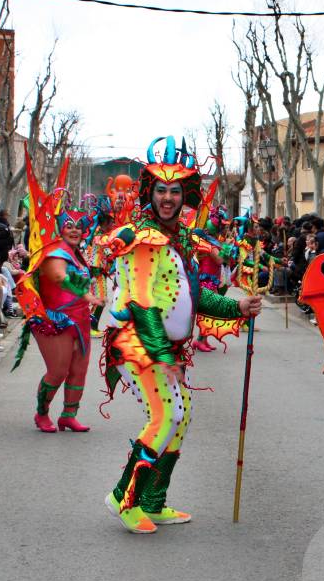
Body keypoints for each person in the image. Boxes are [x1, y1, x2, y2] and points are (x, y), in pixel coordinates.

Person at [100, 138, 261, 534]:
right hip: (140, 344)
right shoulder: (141, 240)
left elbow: (191, 294)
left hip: (166, 347)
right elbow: (142, 303)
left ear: (184, 194)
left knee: (181, 415)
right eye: (161, 190)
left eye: (174, 191)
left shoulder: (180, 239)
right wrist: (163, 355)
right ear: (149, 193)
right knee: (166, 415)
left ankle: (153, 502)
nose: (168, 198)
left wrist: (236, 308)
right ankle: (124, 497)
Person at [13, 194, 99, 433]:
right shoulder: (54, 253)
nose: (74, 230)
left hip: (80, 319)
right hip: (56, 320)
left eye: (78, 227)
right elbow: (59, 277)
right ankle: (42, 413)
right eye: (69, 225)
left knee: (78, 370)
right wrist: (87, 295)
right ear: (60, 227)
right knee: (58, 370)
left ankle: (68, 415)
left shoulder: (76, 252)